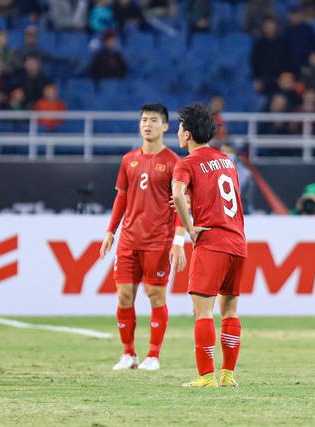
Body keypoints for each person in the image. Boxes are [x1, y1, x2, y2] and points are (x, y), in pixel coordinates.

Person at [99, 103, 186, 372]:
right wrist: (110, 232)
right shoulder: (128, 160)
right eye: (143, 120)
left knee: (155, 296)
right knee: (124, 296)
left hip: (158, 241)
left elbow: (182, 204)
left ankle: (153, 355)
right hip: (128, 240)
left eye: (153, 120)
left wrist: (178, 242)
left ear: (165, 126)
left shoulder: (174, 162)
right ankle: (128, 354)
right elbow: (122, 197)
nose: (147, 124)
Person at [171, 103, 247, 388]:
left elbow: (177, 194)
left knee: (202, 312)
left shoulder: (186, 163)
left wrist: (189, 226)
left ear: (187, 134)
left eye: (179, 128)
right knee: (230, 311)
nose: (178, 133)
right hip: (237, 243)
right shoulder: (227, 161)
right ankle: (227, 375)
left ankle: (206, 377)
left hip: (212, 241)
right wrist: (195, 201)